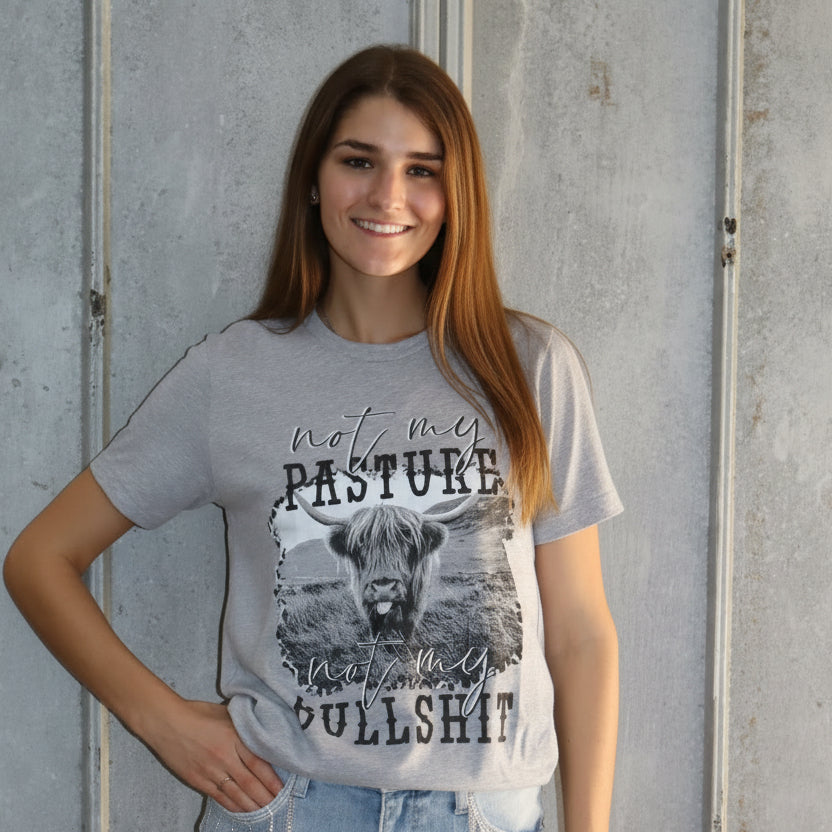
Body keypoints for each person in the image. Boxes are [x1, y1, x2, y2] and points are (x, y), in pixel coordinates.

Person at [4, 45, 621, 832]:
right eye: (358, 160)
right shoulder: (231, 376)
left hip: (483, 810)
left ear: (456, 193)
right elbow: (39, 559)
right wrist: (162, 723)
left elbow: (580, 632)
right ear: (312, 179)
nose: (387, 195)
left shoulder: (529, 368)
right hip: (291, 807)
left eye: (422, 170)